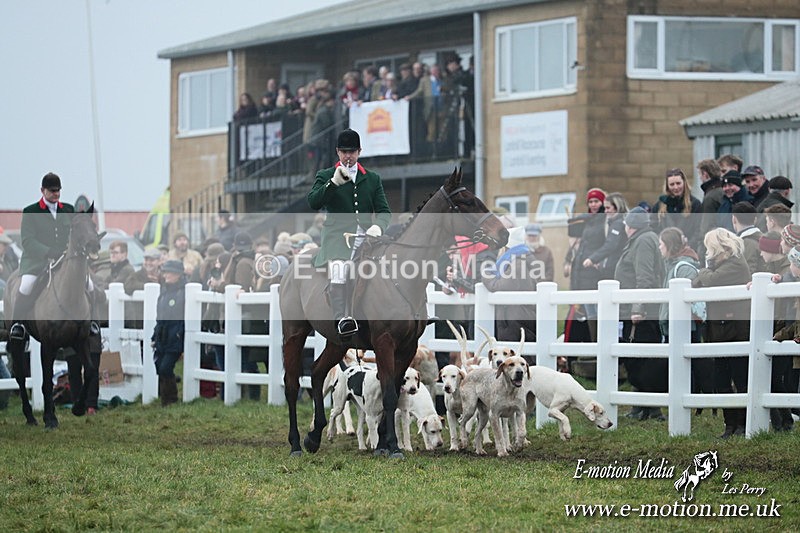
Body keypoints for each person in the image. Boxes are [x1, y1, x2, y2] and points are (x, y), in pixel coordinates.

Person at [307, 128, 391, 338]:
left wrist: (378, 226)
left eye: (352, 152)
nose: (348, 156)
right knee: (339, 269)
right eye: (344, 152)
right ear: (338, 152)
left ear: (359, 151)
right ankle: (341, 319)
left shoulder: (372, 179)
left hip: (368, 237)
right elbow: (313, 202)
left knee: (392, 265)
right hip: (338, 238)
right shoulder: (325, 175)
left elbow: (384, 211)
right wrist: (333, 183)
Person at [692, 228, 751, 438]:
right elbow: (697, 283)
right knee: (721, 379)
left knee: (740, 378)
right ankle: (730, 425)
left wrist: (703, 271)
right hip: (719, 330)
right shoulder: (721, 265)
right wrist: (705, 273)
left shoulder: (735, 264)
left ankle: (742, 424)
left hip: (735, 330)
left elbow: (709, 280)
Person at [614, 207, 667, 421]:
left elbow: (644, 278)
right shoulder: (643, 239)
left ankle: (652, 409)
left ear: (630, 225)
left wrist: (638, 308)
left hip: (641, 312)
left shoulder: (643, 241)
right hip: (639, 308)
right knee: (639, 358)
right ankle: (642, 406)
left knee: (643, 360)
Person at [10, 173, 75, 340]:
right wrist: (48, 252)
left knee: (88, 284)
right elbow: (28, 241)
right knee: (26, 286)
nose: (56, 194)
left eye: (58, 190)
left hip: (63, 260)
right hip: (37, 261)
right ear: (42, 190)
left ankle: (92, 324)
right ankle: (17, 325)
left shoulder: (68, 210)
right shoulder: (31, 211)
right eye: (52, 191)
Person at [483, 223, 554, 344]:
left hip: (515, 320)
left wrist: (486, 275)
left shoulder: (518, 263)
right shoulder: (519, 258)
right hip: (517, 317)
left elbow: (500, 286)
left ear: (506, 247)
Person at [564, 188, 606, 342]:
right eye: (590, 202)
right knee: (577, 318)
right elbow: (574, 244)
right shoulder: (586, 221)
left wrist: (596, 260)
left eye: (596, 201)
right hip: (580, 276)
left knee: (592, 317)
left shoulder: (605, 221)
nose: (593, 204)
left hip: (593, 276)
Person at [151, 259, 186, 406]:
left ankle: (171, 399)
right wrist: (154, 335)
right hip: (162, 336)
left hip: (175, 335)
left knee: (165, 367)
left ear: (178, 274)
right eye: (165, 272)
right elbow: (159, 317)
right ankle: (165, 398)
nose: (166, 275)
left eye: (169, 272)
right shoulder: (164, 292)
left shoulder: (184, 293)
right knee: (159, 365)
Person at [651, 168, 702, 252]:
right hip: (665, 251)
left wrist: (687, 247)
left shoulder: (695, 204)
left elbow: (698, 230)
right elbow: (653, 228)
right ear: (667, 186)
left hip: (687, 250)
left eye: (678, 183)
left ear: (684, 183)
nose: (676, 187)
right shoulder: (659, 206)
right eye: (672, 184)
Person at [582, 192, 628, 281]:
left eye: (608, 208)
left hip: (615, 268)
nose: (605, 211)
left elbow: (611, 245)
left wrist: (593, 259)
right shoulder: (621, 221)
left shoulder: (617, 224)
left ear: (617, 207)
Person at [731, 202, 764, 274]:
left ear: (734, 219)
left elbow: (748, 272)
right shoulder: (763, 238)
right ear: (755, 220)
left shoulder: (747, 243)